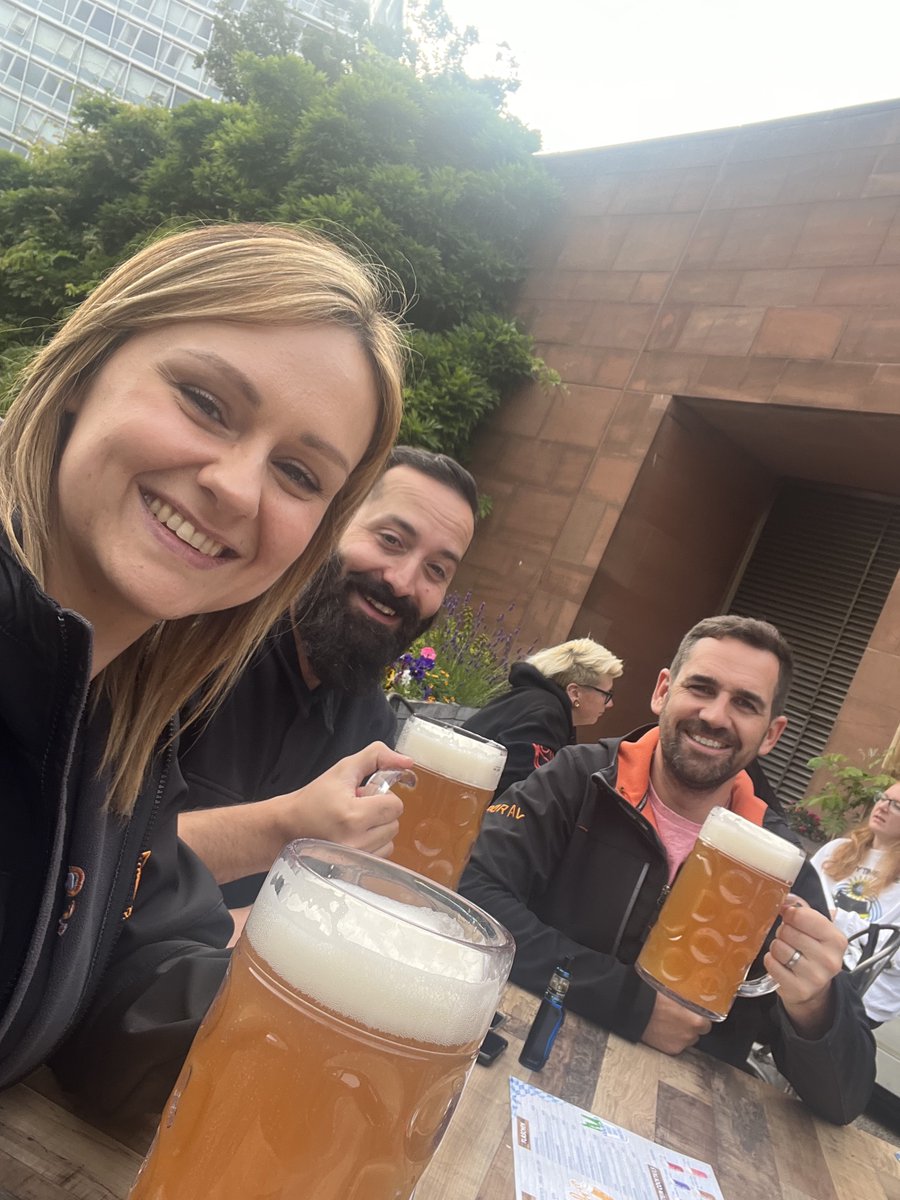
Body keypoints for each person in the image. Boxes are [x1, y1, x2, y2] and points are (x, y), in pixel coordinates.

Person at [0, 223, 407, 1118]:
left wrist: (339, 1003)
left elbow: (128, 993)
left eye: (299, 473)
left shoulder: (119, 731)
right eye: (205, 401)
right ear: (84, 372)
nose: (235, 485)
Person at [459, 615, 875, 1125]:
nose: (716, 716)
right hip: (521, 1069)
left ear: (772, 735)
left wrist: (815, 1008)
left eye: (745, 704)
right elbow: (473, 898)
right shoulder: (578, 779)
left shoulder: (779, 862)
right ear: (662, 691)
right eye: (701, 688)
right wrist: (629, 1004)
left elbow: (844, 1100)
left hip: (672, 1124)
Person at [177, 446, 478, 906]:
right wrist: (284, 829)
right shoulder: (191, 641)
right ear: (328, 524)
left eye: (435, 570)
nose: (401, 581)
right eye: (391, 539)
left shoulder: (372, 728)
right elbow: (79, 856)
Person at [462, 638, 623, 798]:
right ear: (575, 693)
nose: (610, 704)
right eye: (606, 695)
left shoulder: (532, 701)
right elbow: (519, 799)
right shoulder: (545, 717)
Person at [812, 781, 900, 1026]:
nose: (882, 807)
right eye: (883, 797)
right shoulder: (837, 850)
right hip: (810, 960)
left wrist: (837, 919)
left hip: (862, 992)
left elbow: (895, 953)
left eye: (897, 806)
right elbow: (801, 895)